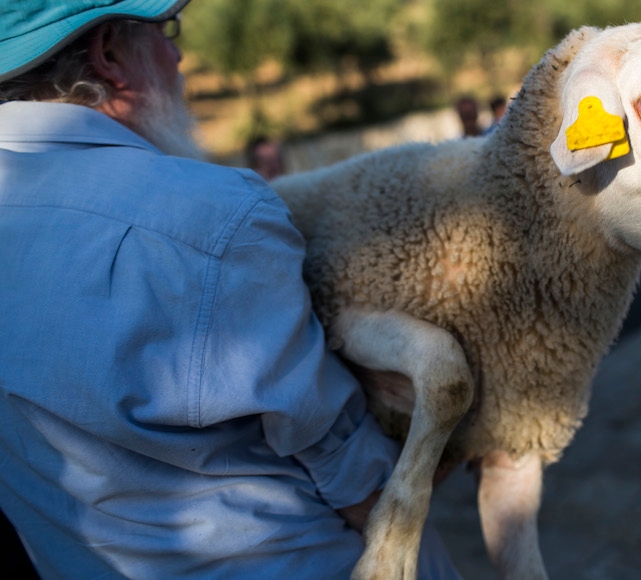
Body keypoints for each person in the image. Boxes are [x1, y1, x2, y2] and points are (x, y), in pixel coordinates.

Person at [0, 2, 460, 578]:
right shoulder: (213, 216)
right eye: (166, 32)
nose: (178, 54)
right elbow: (356, 481)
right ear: (110, 56)